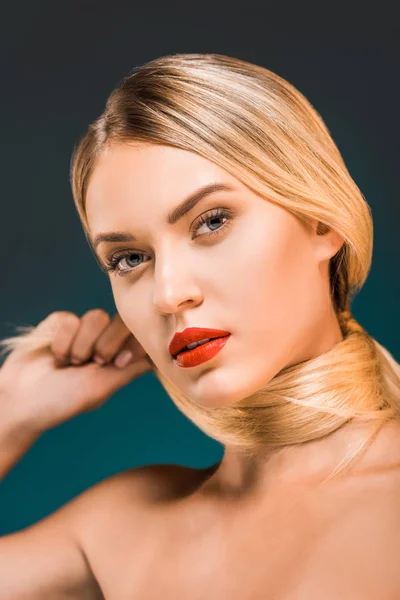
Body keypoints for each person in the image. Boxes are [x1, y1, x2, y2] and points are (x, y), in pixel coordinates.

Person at [0, 52, 400, 599]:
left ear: (321, 222)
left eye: (211, 222)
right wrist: (10, 412)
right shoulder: (121, 529)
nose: (168, 295)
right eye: (130, 259)